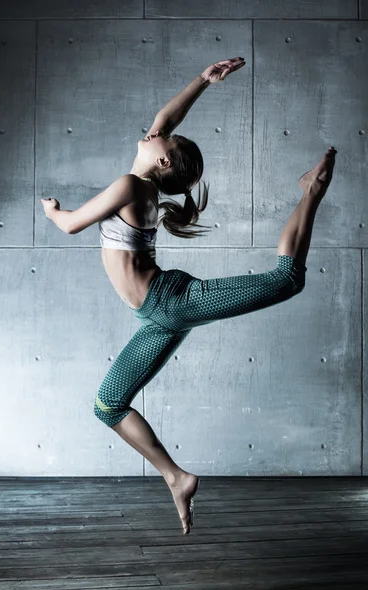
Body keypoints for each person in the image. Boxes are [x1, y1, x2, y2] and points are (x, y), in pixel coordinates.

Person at [40, 57, 337, 535]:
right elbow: (167, 121)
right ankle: (176, 477)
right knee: (108, 406)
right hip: (157, 316)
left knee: (288, 279)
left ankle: (311, 193)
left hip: (171, 302)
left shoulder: (131, 186)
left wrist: (54, 211)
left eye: (159, 138)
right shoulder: (142, 179)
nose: (152, 128)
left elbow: (73, 224)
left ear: (160, 159)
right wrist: (203, 80)